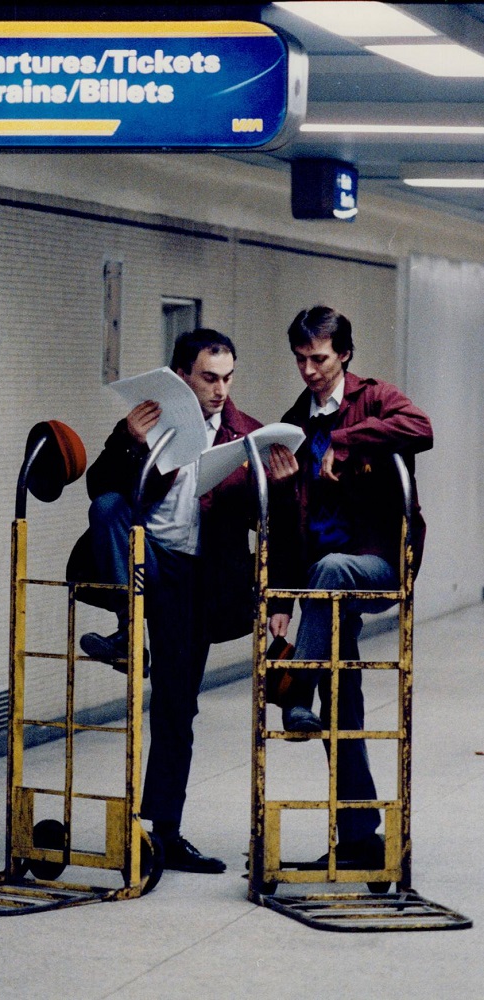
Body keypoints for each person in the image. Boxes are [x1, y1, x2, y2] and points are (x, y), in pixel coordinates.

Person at [72, 329, 295, 873]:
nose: (220, 389)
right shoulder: (151, 420)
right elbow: (99, 486)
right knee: (106, 506)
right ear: (181, 378)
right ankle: (129, 629)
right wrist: (128, 440)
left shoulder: (248, 435)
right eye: (208, 378)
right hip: (148, 558)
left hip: (200, 576)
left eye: (227, 377)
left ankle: (165, 832)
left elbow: (279, 525)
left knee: (177, 705)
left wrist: (283, 486)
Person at [267, 305, 433, 867]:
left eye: (319, 358)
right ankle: (361, 839)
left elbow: (421, 428)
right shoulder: (294, 421)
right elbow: (292, 529)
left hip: (375, 566)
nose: (309, 370)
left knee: (335, 567)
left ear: (344, 356)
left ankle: (295, 694)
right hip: (320, 587)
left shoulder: (375, 397)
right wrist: (287, 600)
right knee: (345, 707)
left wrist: (347, 439)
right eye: (300, 359)